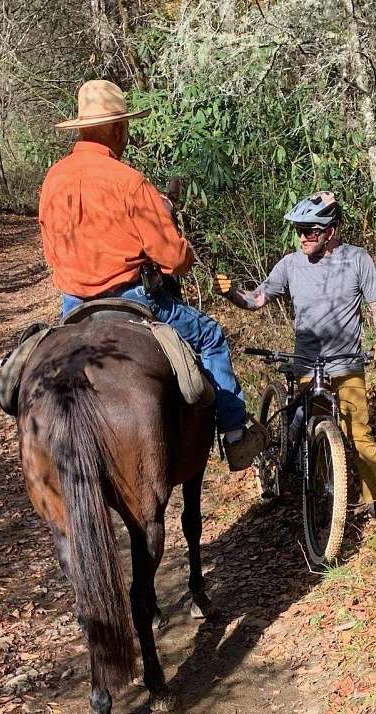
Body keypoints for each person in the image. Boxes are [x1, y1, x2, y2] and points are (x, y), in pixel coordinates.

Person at [39, 79, 265, 470]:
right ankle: (235, 434)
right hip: (134, 298)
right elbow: (172, 260)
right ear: (115, 128)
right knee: (211, 336)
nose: (125, 133)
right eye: (124, 125)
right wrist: (185, 253)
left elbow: (51, 253)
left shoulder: (52, 181)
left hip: (72, 305)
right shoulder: (129, 182)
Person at [213, 191, 376, 516]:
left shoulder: (356, 259)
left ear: (330, 231)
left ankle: (375, 501)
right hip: (308, 366)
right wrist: (231, 295)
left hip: (347, 364)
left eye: (310, 230)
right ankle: (327, 497)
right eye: (299, 230)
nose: (302, 237)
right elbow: (257, 299)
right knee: (315, 428)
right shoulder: (291, 264)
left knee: (359, 433)